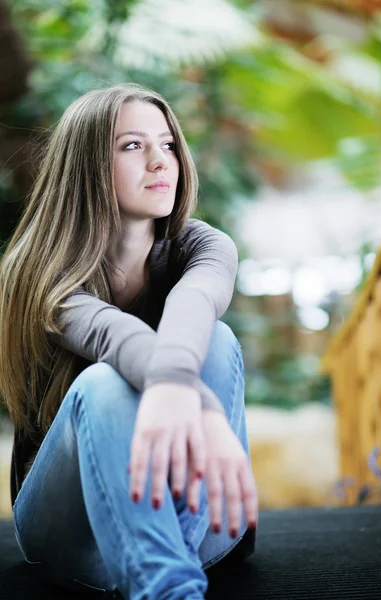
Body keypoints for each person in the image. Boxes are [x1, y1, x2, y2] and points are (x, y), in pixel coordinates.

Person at [0, 83, 258, 600]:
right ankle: (168, 585)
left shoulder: (205, 245)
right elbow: (114, 335)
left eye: (167, 144)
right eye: (133, 146)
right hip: (71, 527)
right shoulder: (40, 276)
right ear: (86, 164)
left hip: (202, 517)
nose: (161, 162)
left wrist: (185, 393)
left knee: (216, 337)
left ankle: (164, 575)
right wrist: (202, 405)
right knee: (105, 379)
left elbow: (194, 305)